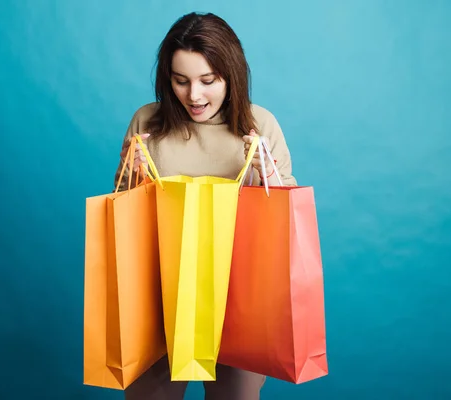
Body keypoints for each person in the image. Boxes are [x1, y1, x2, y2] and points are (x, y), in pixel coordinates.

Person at [114, 11, 297, 400]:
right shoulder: (148, 121)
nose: (193, 95)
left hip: (240, 300)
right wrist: (132, 175)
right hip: (159, 298)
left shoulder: (260, 125)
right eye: (180, 81)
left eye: (207, 81)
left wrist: (269, 176)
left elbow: (285, 221)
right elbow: (124, 213)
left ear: (231, 75)